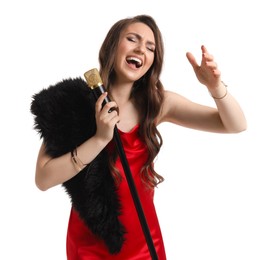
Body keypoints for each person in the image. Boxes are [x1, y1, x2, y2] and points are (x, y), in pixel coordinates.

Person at [33, 14, 247, 260]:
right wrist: (100, 140)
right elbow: (43, 178)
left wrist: (215, 87)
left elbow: (236, 125)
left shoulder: (157, 104)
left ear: (153, 61)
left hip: (146, 246)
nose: (140, 49)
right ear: (112, 46)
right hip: (90, 247)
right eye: (132, 39)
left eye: (150, 47)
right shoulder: (73, 104)